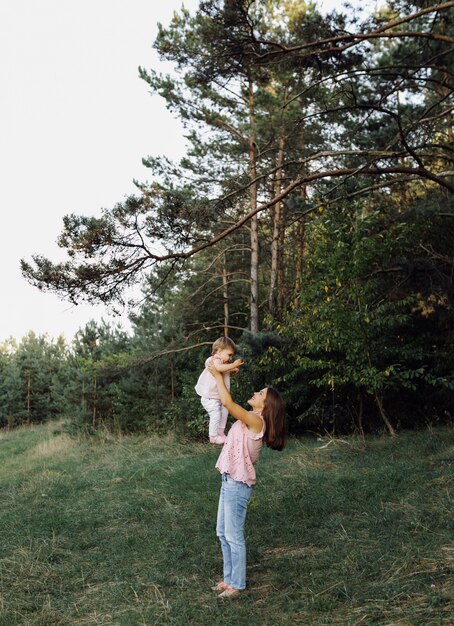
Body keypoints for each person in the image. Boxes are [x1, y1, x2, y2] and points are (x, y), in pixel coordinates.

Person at [207, 361, 287, 598]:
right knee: (222, 533)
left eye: (260, 393)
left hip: (238, 485)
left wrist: (217, 375)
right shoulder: (250, 417)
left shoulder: (257, 422)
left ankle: (238, 584)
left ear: (267, 405)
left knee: (233, 535)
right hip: (228, 480)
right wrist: (223, 373)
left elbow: (228, 403)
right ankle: (228, 579)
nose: (255, 393)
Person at [195, 336, 244, 444]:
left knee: (225, 411)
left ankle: (220, 432)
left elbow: (223, 371)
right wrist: (233, 365)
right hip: (209, 397)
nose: (231, 358)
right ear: (219, 350)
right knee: (216, 414)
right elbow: (218, 368)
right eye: (229, 354)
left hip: (218, 397)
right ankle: (213, 436)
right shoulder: (214, 360)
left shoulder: (223, 363)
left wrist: (231, 370)